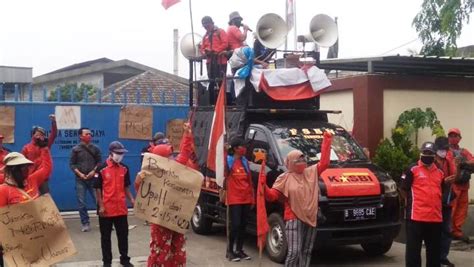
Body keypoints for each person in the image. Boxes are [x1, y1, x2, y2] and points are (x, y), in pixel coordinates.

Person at [263, 131, 332, 267]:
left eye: (303, 159)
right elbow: (272, 196)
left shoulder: (311, 172)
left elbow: (324, 162)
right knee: (294, 251)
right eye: (297, 160)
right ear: (289, 162)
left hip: (311, 217)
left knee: (306, 251)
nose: (301, 162)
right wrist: (263, 186)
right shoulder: (285, 178)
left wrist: (327, 140)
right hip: (293, 217)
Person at [135, 122, 195, 267]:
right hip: (160, 220)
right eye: (169, 155)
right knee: (160, 249)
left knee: (178, 249)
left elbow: (185, 152)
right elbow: (142, 195)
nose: (172, 158)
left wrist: (187, 134)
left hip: (176, 218)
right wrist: (138, 181)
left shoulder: (176, 167)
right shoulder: (147, 174)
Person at [0, 149, 52, 267]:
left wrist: (44, 149)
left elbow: (46, 169)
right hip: (19, 243)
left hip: (39, 238)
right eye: (22, 168)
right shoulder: (3, 190)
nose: (26, 171)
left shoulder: (32, 180)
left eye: (27, 167)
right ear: (13, 170)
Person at [401, 142, 446, 267]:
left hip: (435, 218)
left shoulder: (440, 172)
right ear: (421, 153)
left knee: (434, 253)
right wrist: (410, 204)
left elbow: (441, 191)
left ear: (434, 155)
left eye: (430, 153)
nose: (428, 155)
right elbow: (404, 190)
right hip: (416, 218)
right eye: (426, 153)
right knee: (413, 253)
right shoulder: (412, 169)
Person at [94, 141, 134, 267]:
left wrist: (132, 200)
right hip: (106, 209)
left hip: (121, 208)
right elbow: (97, 188)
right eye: (118, 153)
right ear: (111, 153)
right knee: (105, 237)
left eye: (122, 153)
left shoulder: (125, 168)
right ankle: (107, 262)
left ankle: (125, 259)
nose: (120, 155)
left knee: (123, 236)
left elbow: (126, 187)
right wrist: (101, 205)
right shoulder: (101, 168)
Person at [223, 137, 254, 262]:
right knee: (234, 225)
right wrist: (225, 151)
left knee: (243, 226)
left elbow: (250, 181)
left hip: (246, 198)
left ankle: (239, 250)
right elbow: (223, 171)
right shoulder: (229, 160)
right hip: (234, 199)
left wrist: (252, 198)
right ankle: (230, 251)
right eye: (242, 146)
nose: (245, 149)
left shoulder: (245, 162)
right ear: (236, 148)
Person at [70, 127, 102, 232]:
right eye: (87, 134)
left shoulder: (95, 148)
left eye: (90, 134)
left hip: (93, 179)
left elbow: (99, 162)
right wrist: (80, 174)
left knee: (99, 200)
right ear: (81, 136)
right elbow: (72, 164)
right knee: (81, 202)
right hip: (80, 179)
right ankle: (85, 223)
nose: (89, 135)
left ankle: (104, 222)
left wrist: (93, 171)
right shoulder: (75, 149)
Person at [447, 128, 474, 243]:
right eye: (451, 136)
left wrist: (464, 163)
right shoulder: (446, 151)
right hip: (453, 185)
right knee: (452, 208)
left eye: (455, 136)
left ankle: (457, 231)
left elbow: (473, 161)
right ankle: (448, 230)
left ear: (460, 138)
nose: (453, 138)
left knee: (462, 209)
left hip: (464, 185)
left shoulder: (464, 151)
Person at [434, 136, 457, 267]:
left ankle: (443, 257)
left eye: (445, 149)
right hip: (434, 201)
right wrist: (443, 181)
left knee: (447, 230)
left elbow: (455, 176)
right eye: (442, 149)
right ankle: (435, 257)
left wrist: (452, 163)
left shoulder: (449, 160)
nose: (444, 152)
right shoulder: (429, 160)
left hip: (446, 200)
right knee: (435, 232)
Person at [21, 114, 57, 194]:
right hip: (30, 177)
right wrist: (23, 178)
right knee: (32, 199)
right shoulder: (26, 147)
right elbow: (22, 165)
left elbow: (54, 135)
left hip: (43, 178)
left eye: (41, 135)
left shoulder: (45, 145)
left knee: (45, 198)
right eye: (37, 134)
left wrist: (54, 122)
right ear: (33, 135)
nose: (39, 136)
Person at [200, 15, 229, 104]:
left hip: (221, 61)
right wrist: (205, 52)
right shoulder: (205, 36)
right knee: (211, 81)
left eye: (207, 25)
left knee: (221, 81)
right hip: (210, 62)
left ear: (212, 23)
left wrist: (215, 51)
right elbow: (202, 48)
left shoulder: (220, 32)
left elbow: (225, 44)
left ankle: (222, 103)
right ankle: (212, 103)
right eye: (204, 26)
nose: (206, 28)